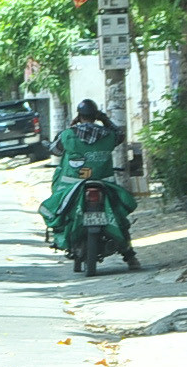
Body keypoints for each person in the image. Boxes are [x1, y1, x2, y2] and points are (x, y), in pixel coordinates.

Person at [40, 99, 140, 269]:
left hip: (72, 187)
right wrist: (105, 119)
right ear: (95, 116)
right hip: (105, 185)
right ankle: (130, 257)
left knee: (62, 213)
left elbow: (55, 150)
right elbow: (120, 135)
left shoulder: (68, 134)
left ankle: (63, 240)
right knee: (118, 217)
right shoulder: (108, 135)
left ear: (79, 117)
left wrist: (71, 126)